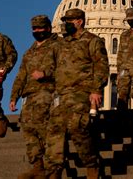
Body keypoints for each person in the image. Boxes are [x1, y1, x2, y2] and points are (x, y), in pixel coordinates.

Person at [44, 9, 109, 179]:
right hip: (60, 95)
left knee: (77, 128)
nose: (66, 24)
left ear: (80, 21)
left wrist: (96, 90)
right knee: (54, 132)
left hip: (81, 92)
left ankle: (91, 164)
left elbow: (101, 67)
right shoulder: (60, 44)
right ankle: (54, 171)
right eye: (65, 20)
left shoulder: (93, 41)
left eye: (69, 20)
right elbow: (53, 68)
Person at [9, 15, 59, 179]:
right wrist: (13, 97)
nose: (37, 31)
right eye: (34, 29)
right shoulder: (29, 52)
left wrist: (45, 74)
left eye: (40, 28)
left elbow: (66, 69)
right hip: (29, 96)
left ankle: (53, 168)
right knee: (29, 130)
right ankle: (38, 166)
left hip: (48, 92)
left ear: (48, 28)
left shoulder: (57, 46)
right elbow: (21, 75)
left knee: (44, 130)